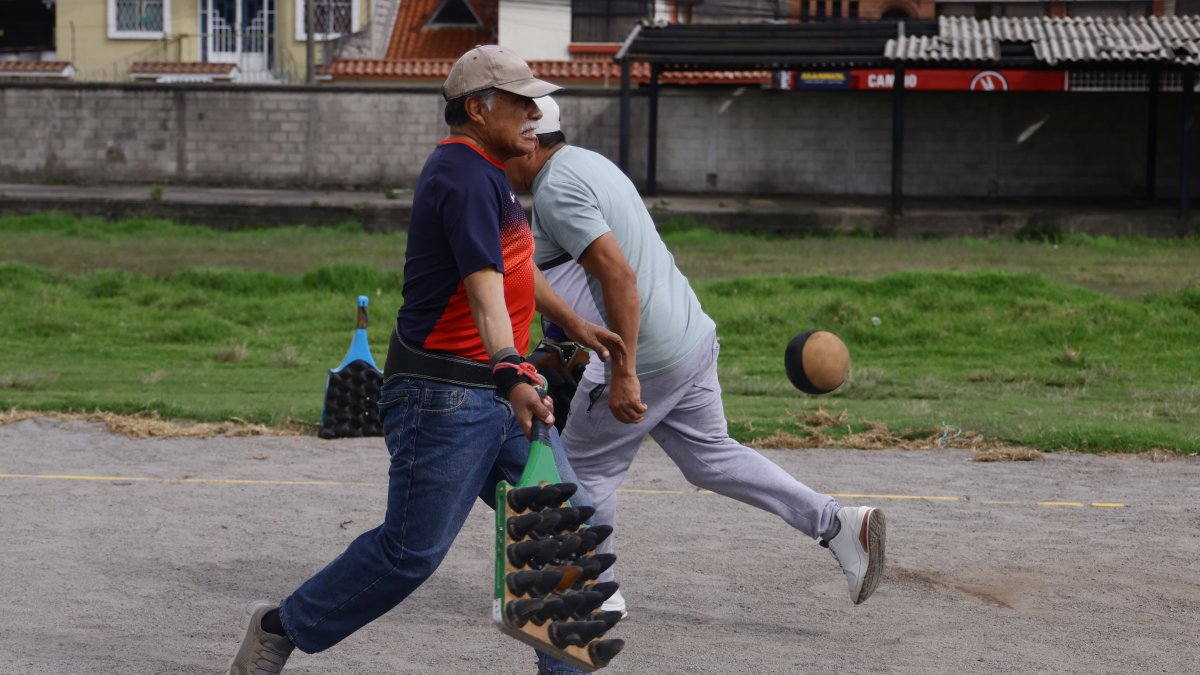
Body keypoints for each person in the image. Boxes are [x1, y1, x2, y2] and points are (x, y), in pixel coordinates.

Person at [226, 48, 624, 675]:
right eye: (519, 102)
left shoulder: (486, 173)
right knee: (410, 552)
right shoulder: (462, 177)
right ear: (477, 108)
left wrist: (570, 321)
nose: (532, 113)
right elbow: (482, 287)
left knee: (556, 530)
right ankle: (283, 627)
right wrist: (513, 368)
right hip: (446, 397)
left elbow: (512, 265)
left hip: (492, 390)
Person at [504, 96, 887, 617]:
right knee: (711, 458)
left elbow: (618, 276)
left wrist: (624, 371)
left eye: (504, 147)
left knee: (584, 471)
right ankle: (837, 523)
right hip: (690, 334)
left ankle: (595, 593)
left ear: (529, 141)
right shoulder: (589, 163)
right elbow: (576, 269)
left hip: (650, 352)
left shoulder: (556, 190)